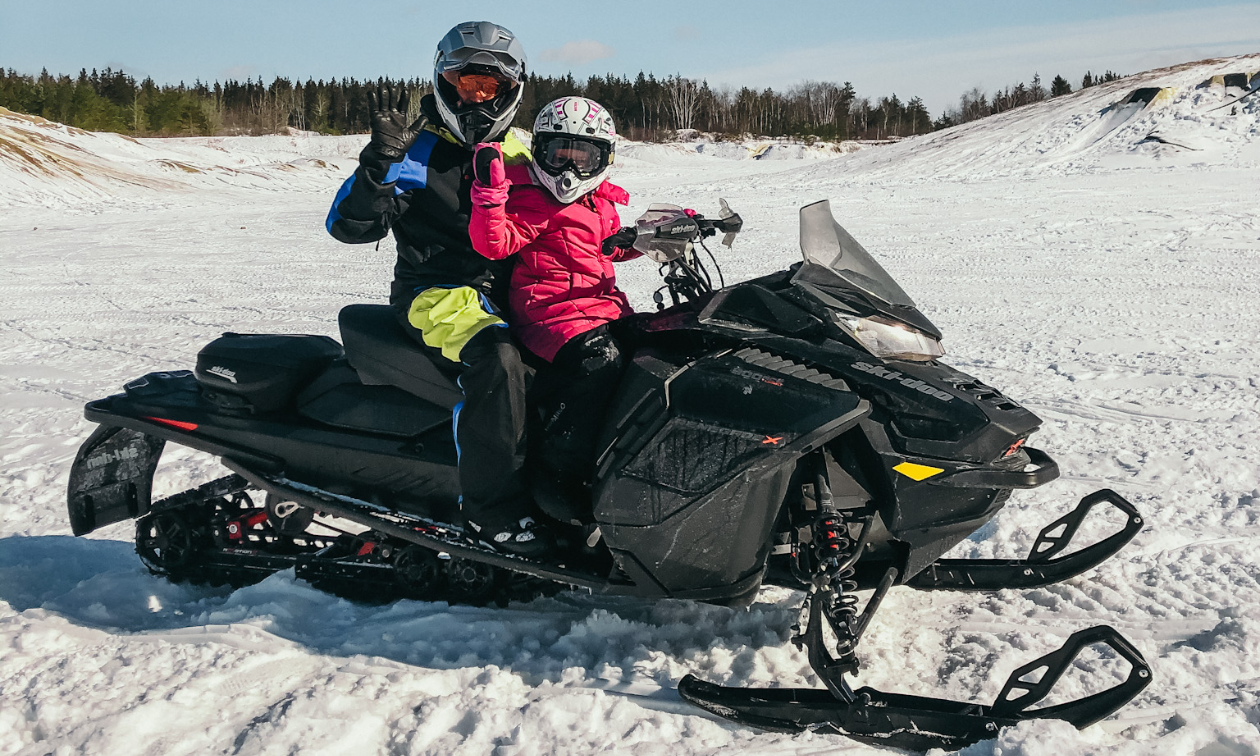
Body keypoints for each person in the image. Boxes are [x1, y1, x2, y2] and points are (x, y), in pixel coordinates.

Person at [325, 21, 553, 557]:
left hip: (513, 293)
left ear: (511, 89)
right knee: (496, 360)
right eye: (462, 82)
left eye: (486, 87)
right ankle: (489, 512)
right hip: (438, 293)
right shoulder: (415, 149)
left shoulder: (522, 152)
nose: (473, 97)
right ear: (442, 82)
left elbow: (565, 212)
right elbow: (349, 227)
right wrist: (377, 165)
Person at [466, 97, 640, 514]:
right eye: (559, 154)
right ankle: (559, 475)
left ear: (603, 159)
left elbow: (605, 248)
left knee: (653, 351)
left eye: (583, 157)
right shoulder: (533, 198)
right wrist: (489, 198)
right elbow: (494, 242)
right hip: (547, 313)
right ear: (540, 149)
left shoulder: (599, 201)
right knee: (599, 364)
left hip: (596, 307)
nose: (569, 171)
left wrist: (657, 235)